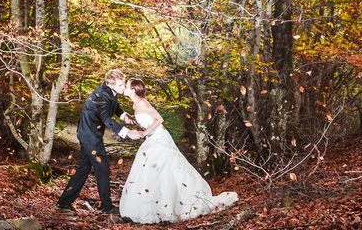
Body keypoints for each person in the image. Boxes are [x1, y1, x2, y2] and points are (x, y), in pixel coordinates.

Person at [119, 78, 238, 224]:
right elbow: (147, 119)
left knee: (166, 168)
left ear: (133, 89)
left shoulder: (142, 102)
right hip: (152, 139)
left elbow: (159, 119)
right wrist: (133, 119)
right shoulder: (135, 104)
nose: (124, 87)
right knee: (154, 170)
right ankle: (155, 205)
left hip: (159, 138)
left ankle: (173, 204)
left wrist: (144, 133)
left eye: (126, 86)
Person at [56, 70, 142, 215]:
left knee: (83, 169)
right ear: (110, 84)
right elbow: (106, 119)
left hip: (88, 133)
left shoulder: (108, 91)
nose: (123, 87)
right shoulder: (103, 96)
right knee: (102, 168)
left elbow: (113, 104)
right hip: (90, 136)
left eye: (123, 83)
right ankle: (107, 207)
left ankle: (64, 202)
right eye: (120, 85)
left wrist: (123, 114)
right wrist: (127, 132)